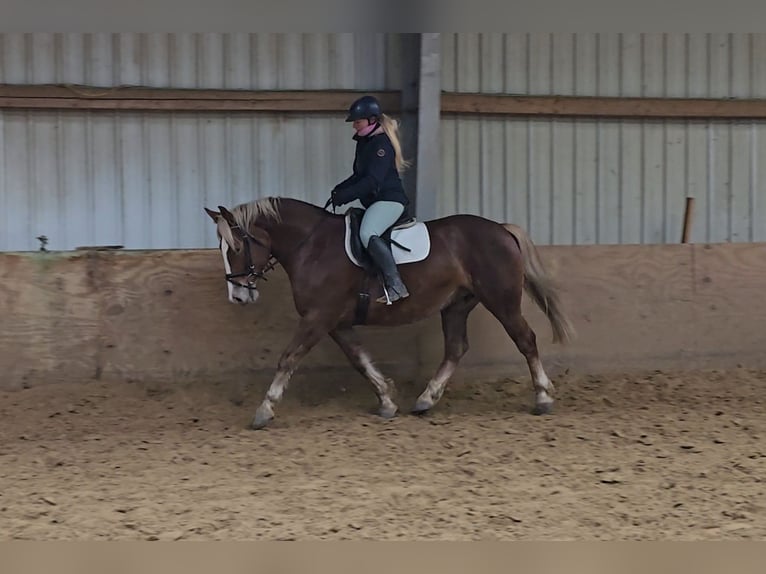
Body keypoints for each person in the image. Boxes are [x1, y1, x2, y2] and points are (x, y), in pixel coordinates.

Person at [330, 95, 411, 304]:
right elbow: (359, 176)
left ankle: (395, 284)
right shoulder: (364, 143)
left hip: (389, 200)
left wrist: (348, 195)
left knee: (367, 232)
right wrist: (340, 190)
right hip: (376, 202)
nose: (354, 125)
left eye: (357, 121)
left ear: (372, 119)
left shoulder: (381, 144)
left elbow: (372, 181)